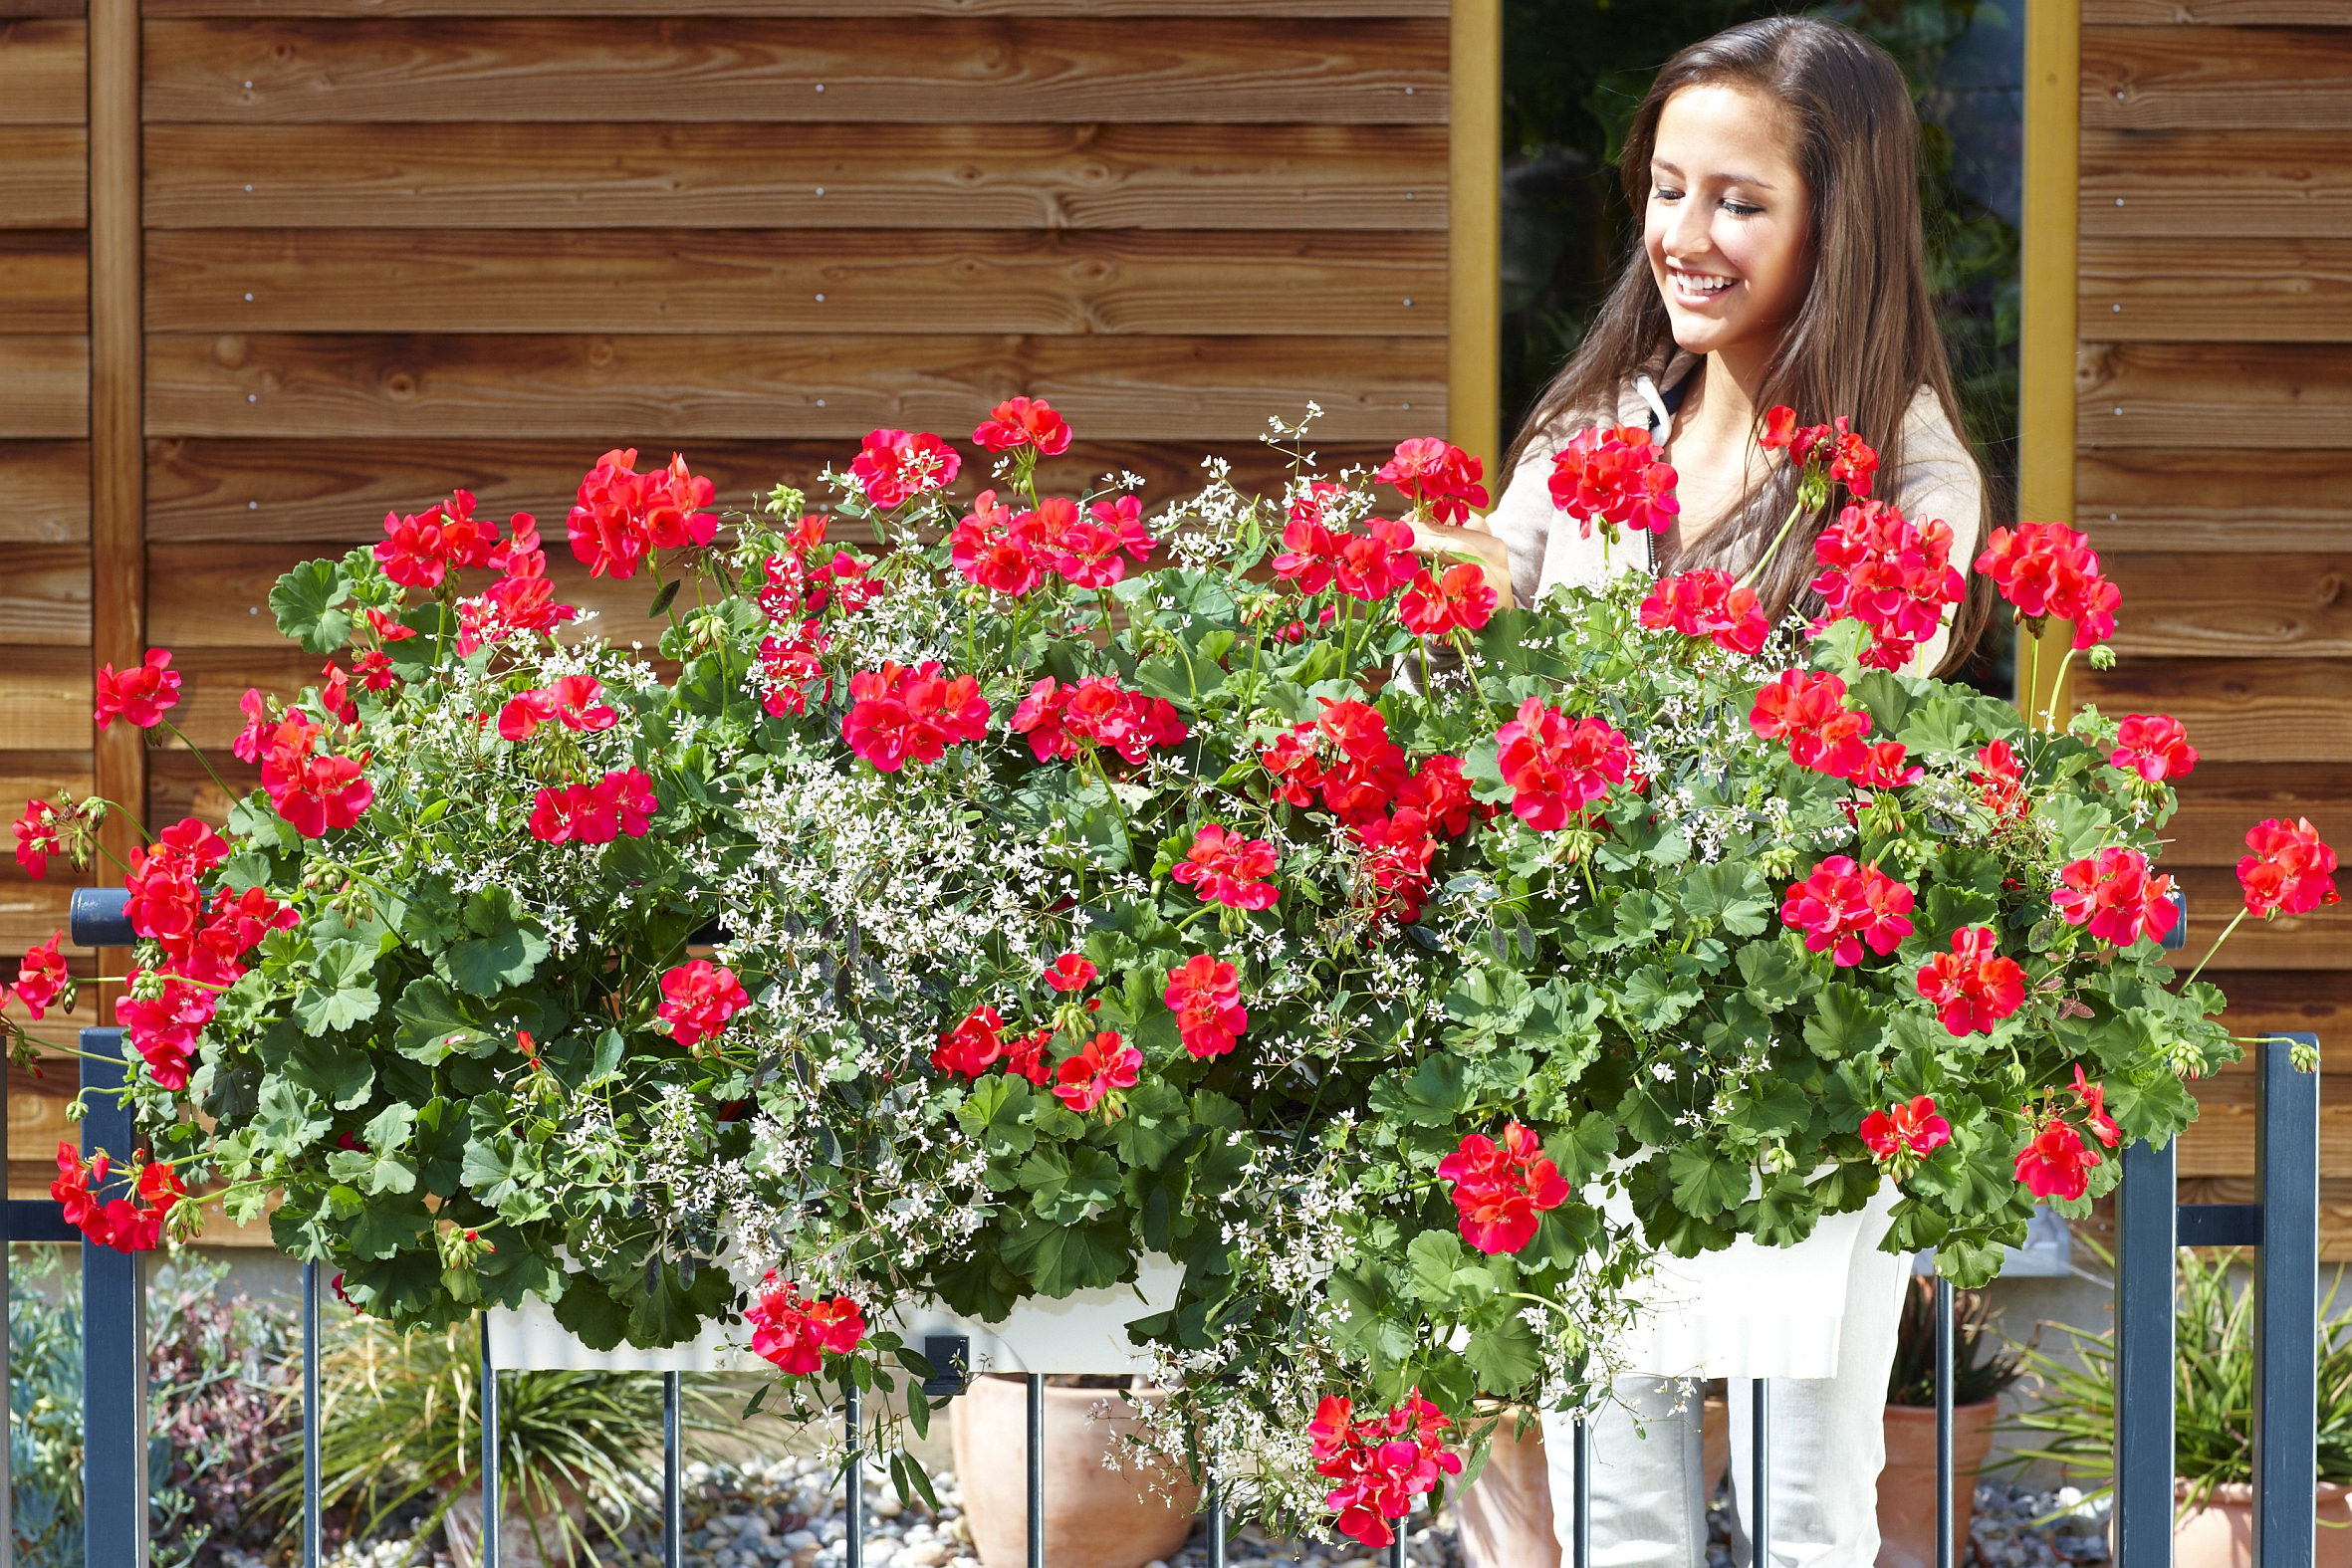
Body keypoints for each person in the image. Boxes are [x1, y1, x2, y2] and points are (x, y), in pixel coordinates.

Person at [1422, 17, 1992, 1568]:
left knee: (1807, 1510)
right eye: (1667, 190)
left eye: (1737, 200)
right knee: (1618, 1509)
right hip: (1583, 1021)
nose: (1683, 235)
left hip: (1797, 1039)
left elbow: (1837, 734)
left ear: (1836, 218)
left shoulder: (1911, 483)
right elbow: (1467, 651)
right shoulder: (1595, 428)